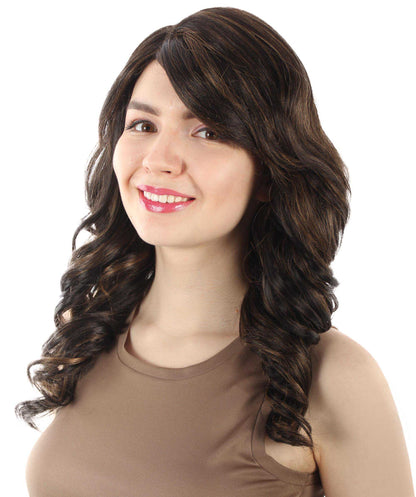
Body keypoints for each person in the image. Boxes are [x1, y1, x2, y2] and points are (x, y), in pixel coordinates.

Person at [16, 7, 414, 497]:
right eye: (143, 125)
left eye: (207, 132)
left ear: (269, 170)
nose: (158, 160)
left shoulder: (334, 377)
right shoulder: (88, 330)